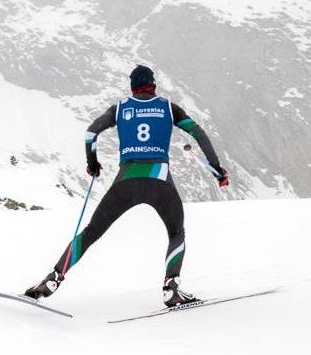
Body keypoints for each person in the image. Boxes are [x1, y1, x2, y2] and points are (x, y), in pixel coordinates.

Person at [24, 65, 229, 307]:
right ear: (153, 84)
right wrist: (217, 169)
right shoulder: (168, 107)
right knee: (176, 232)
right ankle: (171, 288)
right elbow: (199, 133)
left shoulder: (120, 108)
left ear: (132, 87)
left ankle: (53, 279)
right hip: (159, 180)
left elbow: (90, 134)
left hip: (126, 181)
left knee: (91, 232)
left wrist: (93, 163)